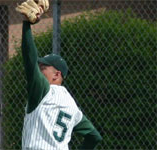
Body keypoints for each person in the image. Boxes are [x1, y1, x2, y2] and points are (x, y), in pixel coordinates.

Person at [17, 1, 102, 149]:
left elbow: (29, 59)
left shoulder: (44, 91)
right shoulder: (72, 106)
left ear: (56, 74)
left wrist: (26, 25)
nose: (38, 70)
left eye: (43, 67)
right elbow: (94, 137)